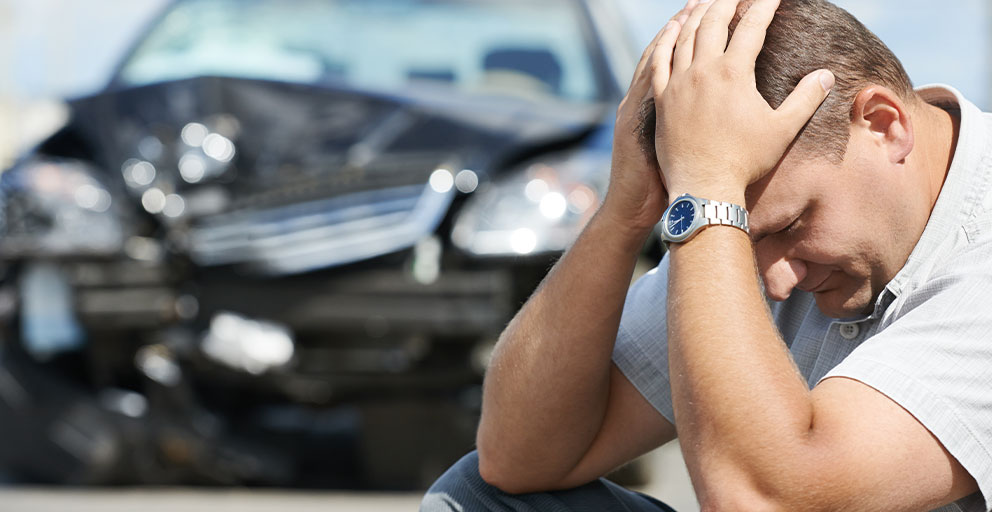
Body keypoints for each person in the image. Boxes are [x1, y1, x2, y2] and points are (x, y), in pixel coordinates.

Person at [422, 0, 991, 510]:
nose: (773, 280)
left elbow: (764, 503)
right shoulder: (736, 217)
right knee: (472, 497)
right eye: (746, 239)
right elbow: (516, 456)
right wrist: (624, 214)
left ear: (882, 125)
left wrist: (713, 199)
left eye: (793, 223)